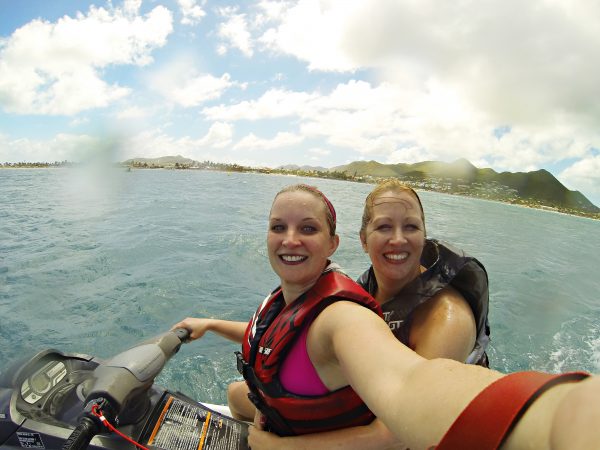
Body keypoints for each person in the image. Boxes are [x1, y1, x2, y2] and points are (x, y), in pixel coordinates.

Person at [357, 179, 490, 366]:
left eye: (411, 226)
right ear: (364, 241)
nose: (398, 240)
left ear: (423, 237)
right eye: (384, 227)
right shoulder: (362, 290)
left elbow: (414, 395)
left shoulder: (448, 318)